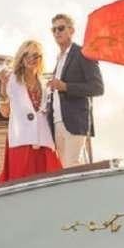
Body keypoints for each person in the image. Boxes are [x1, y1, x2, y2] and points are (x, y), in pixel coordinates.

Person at [0, 39, 62, 181]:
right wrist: (3, 87)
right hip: (21, 140)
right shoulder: (12, 80)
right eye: (27, 54)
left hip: (43, 141)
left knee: (49, 183)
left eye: (35, 55)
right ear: (21, 57)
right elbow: (5, 112)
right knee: (20, 183)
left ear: (40, 59)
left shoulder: (44, 83)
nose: (31, 59)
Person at [45, 13, 104, 167]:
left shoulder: (83, 53)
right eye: (54, 30)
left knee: (72, 165)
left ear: (71, 30)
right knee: (65, 168)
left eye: (61, 28)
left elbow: (98, 87)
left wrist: (65, 86)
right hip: (57, 122)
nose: (57, 32)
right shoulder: (59, 59)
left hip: (75, 122)